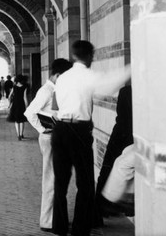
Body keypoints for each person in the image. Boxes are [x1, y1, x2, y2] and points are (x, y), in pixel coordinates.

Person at [52, 40, 130, 236]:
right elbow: (109, 85)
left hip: (59, 129)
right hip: (78, 131)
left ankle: (59, 227)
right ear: (89, 56)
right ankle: (80, 229)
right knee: (85, 184)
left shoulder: (63, 77)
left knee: (60, 182)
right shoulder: (86, 76)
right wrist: (133, 67)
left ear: (74, 55)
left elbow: (58, 104)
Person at [24, 59, 73, 233]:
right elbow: (29, 112)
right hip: (49, 137)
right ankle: (48, 220)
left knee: (54, 177)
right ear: (57, 75)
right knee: (51, 178)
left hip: (54, 136)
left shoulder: (53, 90)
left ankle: (53, 218)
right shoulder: (46, 91)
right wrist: (42, 129)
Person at [96, 84, 133, 219]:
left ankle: (101, 209)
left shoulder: (125, 91)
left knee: (106, 169)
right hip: (131, 136)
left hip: (120, 134)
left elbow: (122, 115)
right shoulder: (144, 92)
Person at [6, 74, 29, 140]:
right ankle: (21, 134)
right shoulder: (24, 87)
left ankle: (18, 135)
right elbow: (25, 98)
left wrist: (10, 104)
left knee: (16, 120)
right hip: (21, 104)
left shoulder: (14, 87)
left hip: (15, 104)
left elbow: (9, 96)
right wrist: (27, 106)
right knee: (22, 120)